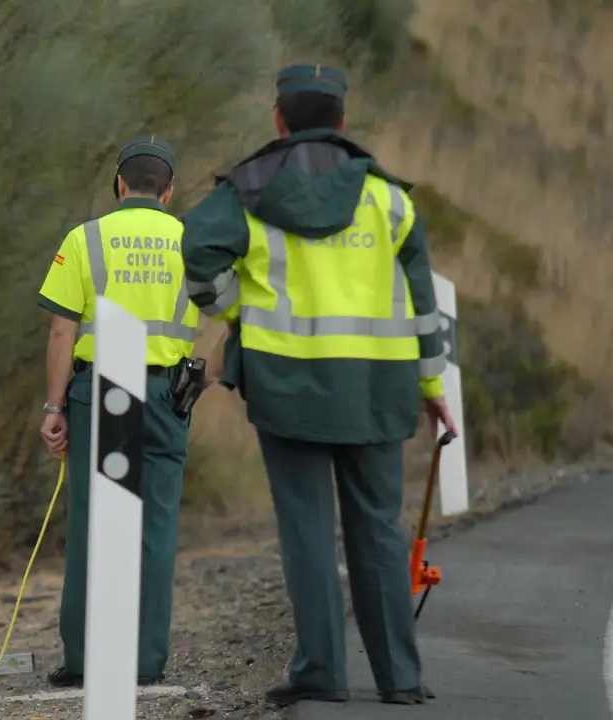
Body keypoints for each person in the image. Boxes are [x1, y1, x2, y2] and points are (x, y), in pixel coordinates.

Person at [179, 63, 459, 708]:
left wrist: (234, 312)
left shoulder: (247, 189)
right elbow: (422, 303)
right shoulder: (389, 198)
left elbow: (194, 253)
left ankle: (320, 672)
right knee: (380, 529)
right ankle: (400, 678)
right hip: (379, 389)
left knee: (305, 530)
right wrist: (431, 383)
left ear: (280, 119)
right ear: (342, 121)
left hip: (286, 385)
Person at [35, 135, 202, 687]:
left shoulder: (85, 239)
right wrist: (199, 373)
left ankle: (83, 660)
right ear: (170, 192)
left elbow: (63, 329)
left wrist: (54, 406)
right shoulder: (192, 242)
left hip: (97, 395)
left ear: (119, 183)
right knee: (155, 529)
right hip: (164, 398)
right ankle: (146, 661)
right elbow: (228, 313)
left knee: (90, 525)